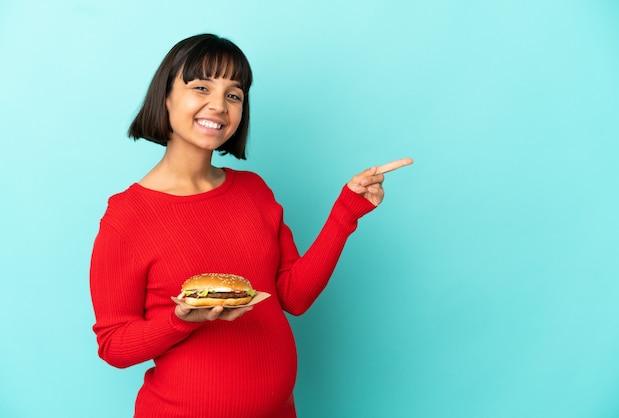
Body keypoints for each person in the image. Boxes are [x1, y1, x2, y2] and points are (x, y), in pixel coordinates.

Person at [89, 33, 412, 418]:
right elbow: (114, 345)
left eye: (234, 95)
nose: (219, 105)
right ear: (166, 97)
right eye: (201, 87)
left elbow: (293, 296)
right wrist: (179, 321)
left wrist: (346, 213)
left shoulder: (253, 190)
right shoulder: (128, 216)